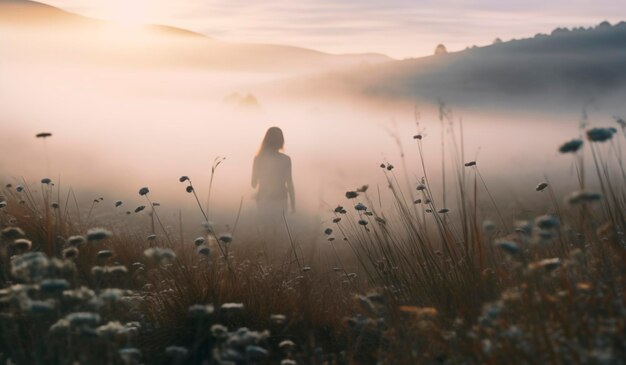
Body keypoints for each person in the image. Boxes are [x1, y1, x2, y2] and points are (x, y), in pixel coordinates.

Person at [251, 127, 295, 222]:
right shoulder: (286, 159)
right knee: (278, 231)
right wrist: (293, 205)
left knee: (265, 231)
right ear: (281, 141)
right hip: (281, 199)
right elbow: (290, 183)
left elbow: (253, 184)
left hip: (263, 200)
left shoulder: (258, 159)